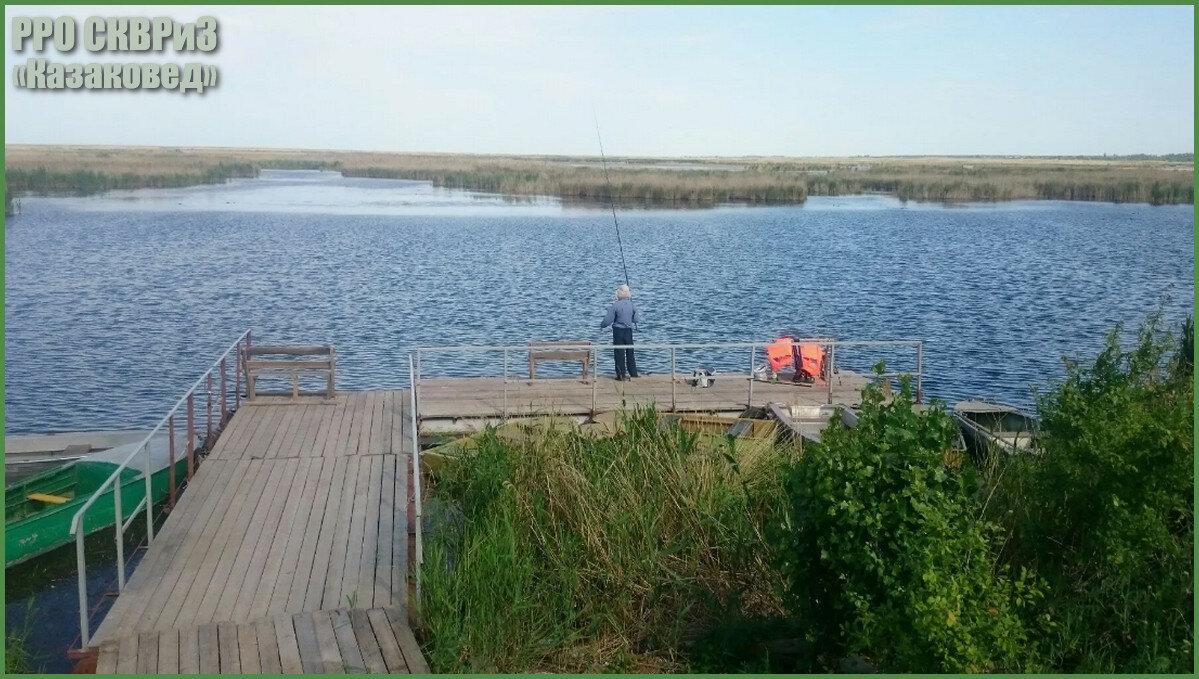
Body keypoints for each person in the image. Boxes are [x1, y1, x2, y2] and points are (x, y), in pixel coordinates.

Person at [600, 284, 640, 380]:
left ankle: (621, 375)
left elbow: (607, 320)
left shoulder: (615, 306)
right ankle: (633, 373)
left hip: (618, 331)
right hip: (628, 331)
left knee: (619, 353)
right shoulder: (632, 305)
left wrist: (602, 325)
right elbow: (636, 319)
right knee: (630, 352)